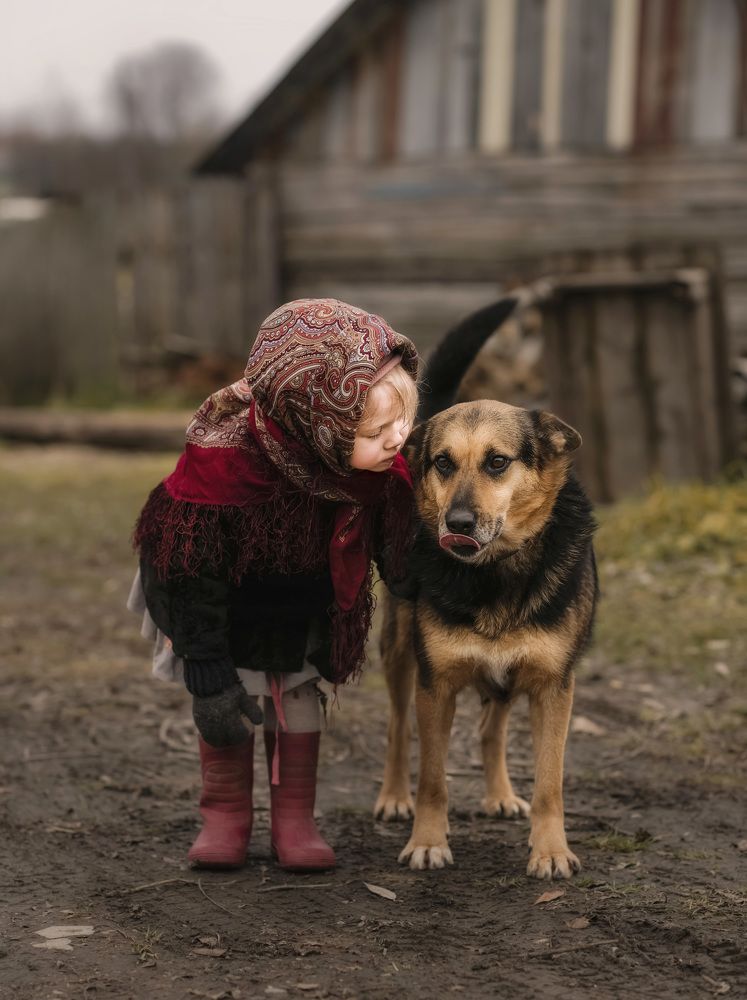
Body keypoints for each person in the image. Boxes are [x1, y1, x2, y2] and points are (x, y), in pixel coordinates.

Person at [128, 298, 419, 873]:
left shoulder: (375, 476)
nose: (397, 439)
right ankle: (225, 815)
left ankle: (295, 819)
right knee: (232, 708)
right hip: (221, 611)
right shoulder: (221, 475)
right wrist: (206, 671)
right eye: (378, 429)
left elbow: (396, 550)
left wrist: (416, 578)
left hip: (303, 607)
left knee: (299, 706)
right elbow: (188, 577)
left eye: (404, 420)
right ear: (318, 422)